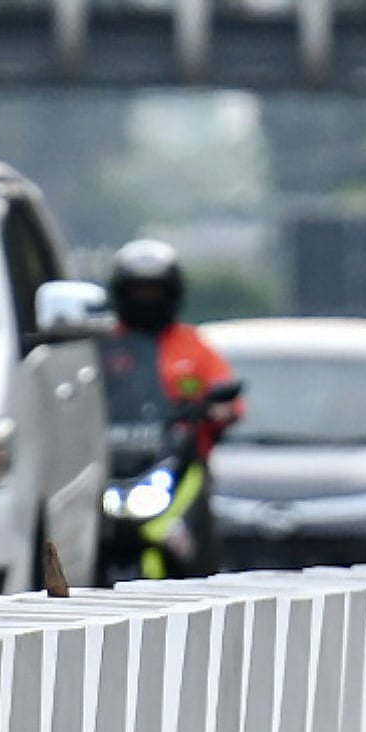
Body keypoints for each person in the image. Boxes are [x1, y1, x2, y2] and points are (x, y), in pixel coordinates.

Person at [98, 239, 240, 570]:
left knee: (190, 539)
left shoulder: (192, 345)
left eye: (154, 291)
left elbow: (226, 394)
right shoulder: (104, 345)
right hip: (114, 461)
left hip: (176, 465)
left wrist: (217, 410)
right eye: (138, 291)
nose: (146, 300)